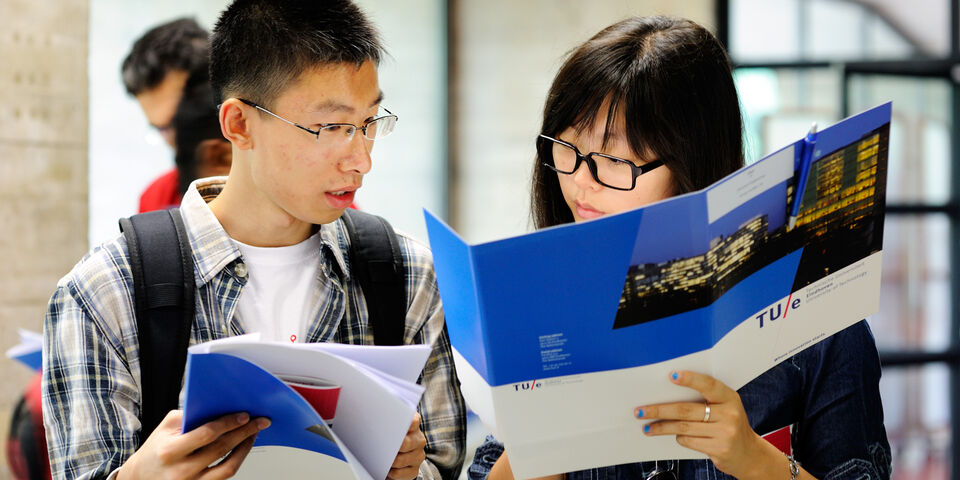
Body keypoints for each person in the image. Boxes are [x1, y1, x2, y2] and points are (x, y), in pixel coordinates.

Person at [42, 2, 466, 479]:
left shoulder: (405, 273)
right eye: (331, 127)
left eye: (368, 123)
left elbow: (443, 464)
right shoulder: (105, 294)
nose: (361, 160)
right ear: (238, 124)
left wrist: (408, 472)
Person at [469, 16, 890, 480]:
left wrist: (753, 459)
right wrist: (541, 439)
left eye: (612, 160)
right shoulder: (543, 311)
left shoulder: (819, 321)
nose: (579, 184)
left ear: (691, 161)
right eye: (566, 148)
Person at [121, 18, 210, 212]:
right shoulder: (156, 199)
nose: (174, 141)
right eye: (161, 128)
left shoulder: (280, 189)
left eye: (178, 122)